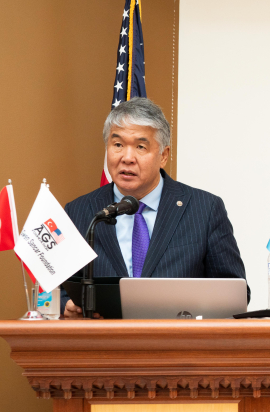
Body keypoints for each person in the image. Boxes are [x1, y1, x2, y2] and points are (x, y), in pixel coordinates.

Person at [62, 98, 247, 318]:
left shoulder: (204, 209)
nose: (127, 158)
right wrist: (68, 307)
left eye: (140, 147)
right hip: (105, 348)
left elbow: (235, 294)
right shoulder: (80, 212)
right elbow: (60, 290)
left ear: (163, 155)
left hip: (180, 347)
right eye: (118, 145)